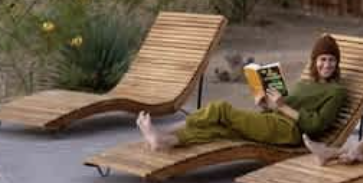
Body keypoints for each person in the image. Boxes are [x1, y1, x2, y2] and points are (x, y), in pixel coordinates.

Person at [138, 35, 348, 151]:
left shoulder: (336, 92)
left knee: (221, 109)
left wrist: (282, 106)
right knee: (218, 128)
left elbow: (315, 125)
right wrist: (266, 103)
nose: (327, 64)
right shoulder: (306, 82)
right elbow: (283, 106)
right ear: (315, 61)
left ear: (337, 63)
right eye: (322, 59)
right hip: (272, 120)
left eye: (331, 60)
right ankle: (164, 142)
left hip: (287, 131)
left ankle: (163, 129)